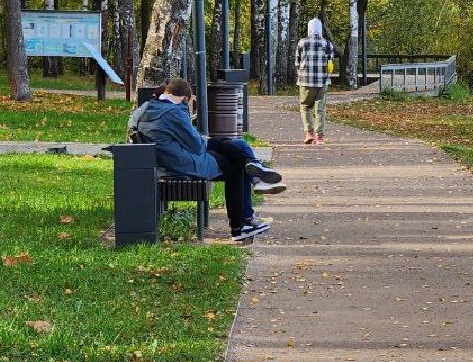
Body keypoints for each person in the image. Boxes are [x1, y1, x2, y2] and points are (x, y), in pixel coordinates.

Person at [129, 78, 285, 242]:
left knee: (232, 147)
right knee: (236, 164)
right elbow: (196, 146)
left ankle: (252, 190)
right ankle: (242, 222)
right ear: (186, 98)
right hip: (181, 165)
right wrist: (204, 139)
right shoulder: (175, 111)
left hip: (162, 163)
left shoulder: (145, 108)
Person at [295, 17, 335, 145]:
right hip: (322, 81)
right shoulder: (328, 44)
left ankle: (309, 133)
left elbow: (297, 61)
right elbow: (330, 62)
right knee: (320, 108)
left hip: (305, 80)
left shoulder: (302, 43)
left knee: (305, 106)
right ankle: (320, 137)